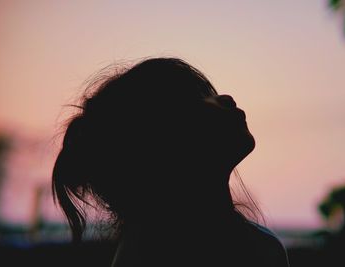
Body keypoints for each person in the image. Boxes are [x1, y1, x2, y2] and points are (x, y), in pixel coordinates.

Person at [52, 57, 290, 266]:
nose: (226, 98)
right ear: (159, 140)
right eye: (196, 98)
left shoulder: (261, 247)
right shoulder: (149, 256)